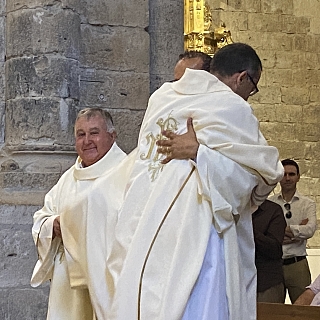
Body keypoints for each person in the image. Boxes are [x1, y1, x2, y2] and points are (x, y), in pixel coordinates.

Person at [85, 43, 283, 320]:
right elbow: (262, 176)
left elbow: (143, 165)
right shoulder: (232, 107)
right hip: (200, 230)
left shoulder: (162, 97)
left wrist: (199, 152)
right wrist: (201, 154)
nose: (250, 95)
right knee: (198, 303)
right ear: (242, 78)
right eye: (254, 86)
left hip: (146, 228)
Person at [30, 108, 126, 320]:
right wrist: (53, 225)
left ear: (112, 135)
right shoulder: (68, 179)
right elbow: (42, 217)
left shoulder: (127, 172)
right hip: (68, 288)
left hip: (108, 278)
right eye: (81, 135)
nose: (87, 141)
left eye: (94, 133)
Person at [269, 158, 317, 303]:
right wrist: (297, 233)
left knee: (303, 309)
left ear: (298, 177)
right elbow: (266, 232)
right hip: (274, 265)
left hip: (298, 265)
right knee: (273, 310)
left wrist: (282, 231)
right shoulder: (270, 203)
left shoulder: (307, 204)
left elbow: (310, 230)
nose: (288, 178)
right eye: (284, 174)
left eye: (292, 174)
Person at [252, 200, 286, 303]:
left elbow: (275, 250)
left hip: (265, 282)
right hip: (235, 282)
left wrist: (247, 229)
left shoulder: (273, 210)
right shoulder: (231, 208)